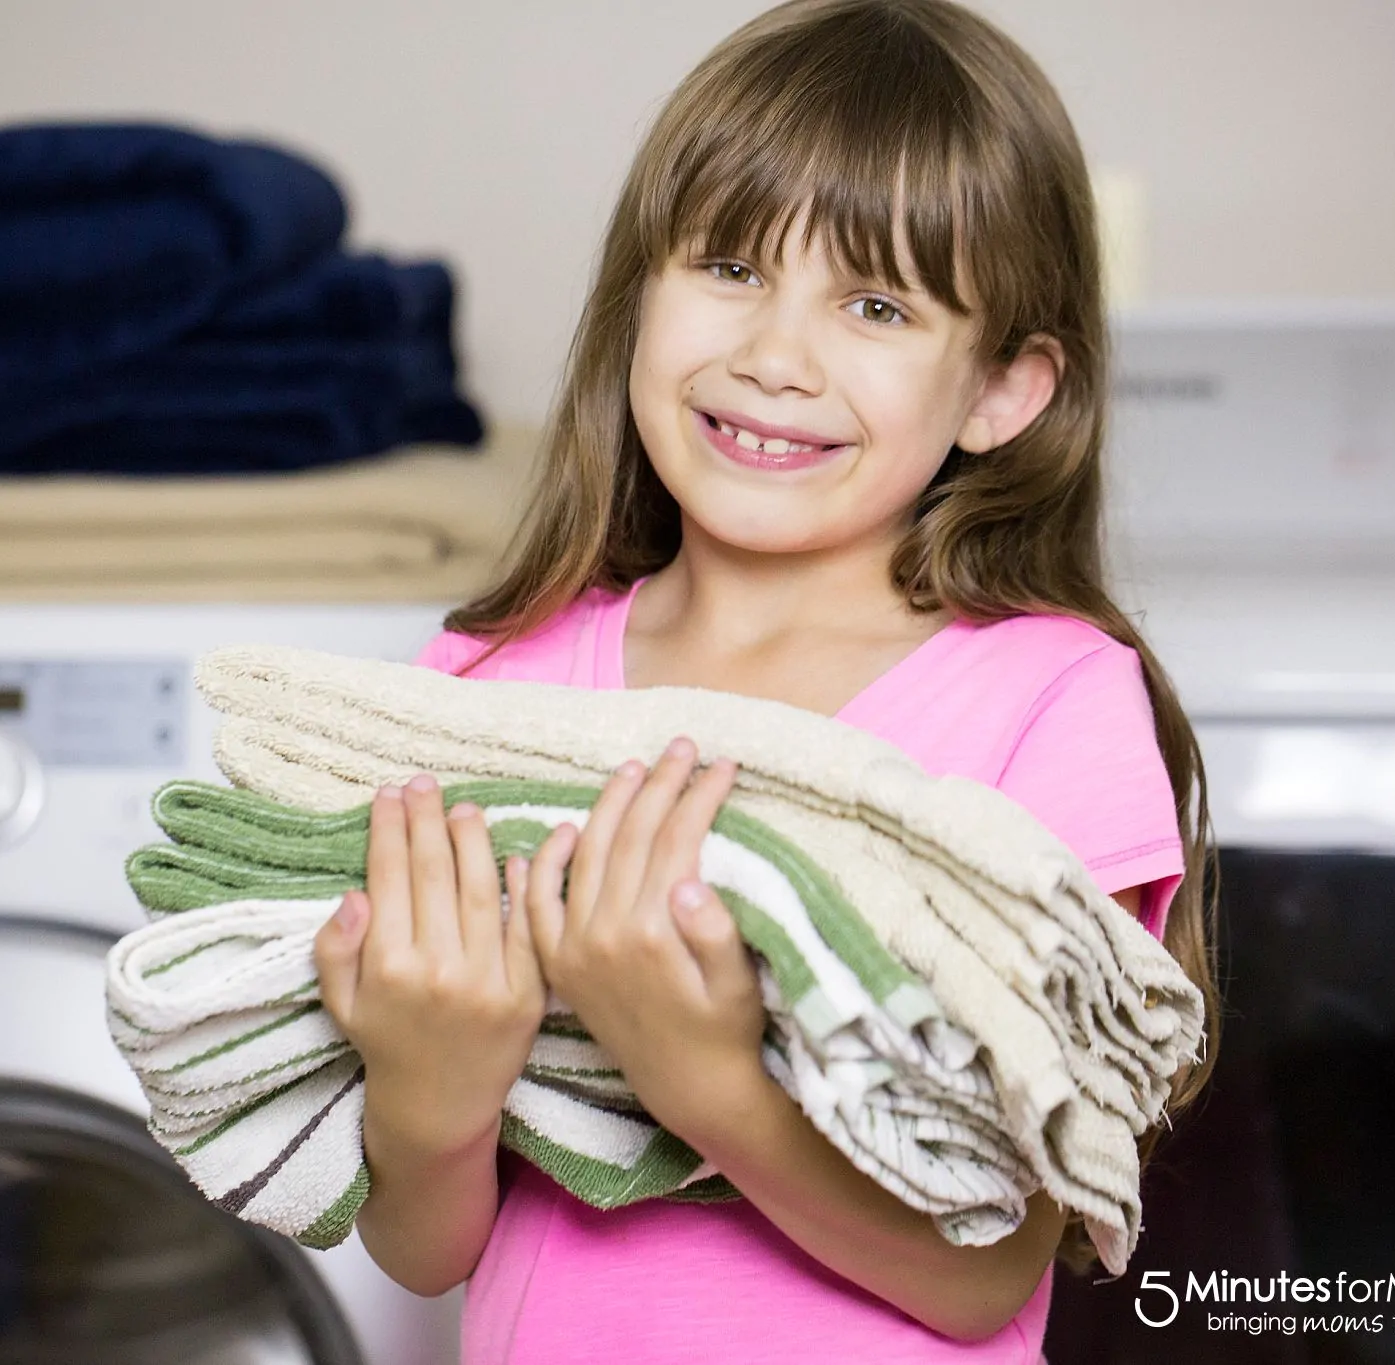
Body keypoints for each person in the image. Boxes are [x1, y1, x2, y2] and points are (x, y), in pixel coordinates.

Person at [309, 1, 1221, 1358]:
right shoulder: (483, 685)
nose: (775, 357)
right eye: (729, 267)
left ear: (1002, 393)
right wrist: (430, 1094)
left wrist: (704, 1078)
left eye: (874, 304)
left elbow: (979, 1278)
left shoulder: (1048, 703)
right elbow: (426, 1253)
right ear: (640, 297)